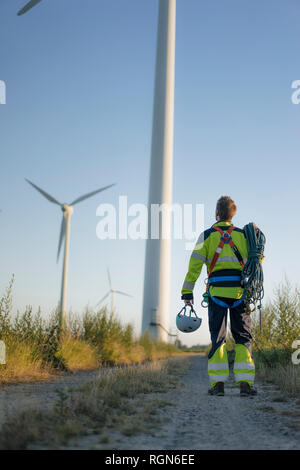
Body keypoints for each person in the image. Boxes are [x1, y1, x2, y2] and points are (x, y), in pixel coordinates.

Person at [181, 196, 257, 397]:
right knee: (243, 338)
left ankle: (218, 386)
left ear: (217, 213)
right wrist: (256, 239)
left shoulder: (205, 236)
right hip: (241, 294)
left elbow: (194, 267)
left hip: (216, 295)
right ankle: (245, 386)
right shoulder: (245, 236)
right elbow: (256, 263)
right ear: (234, 214)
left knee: (219, 339)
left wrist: (187, 292)